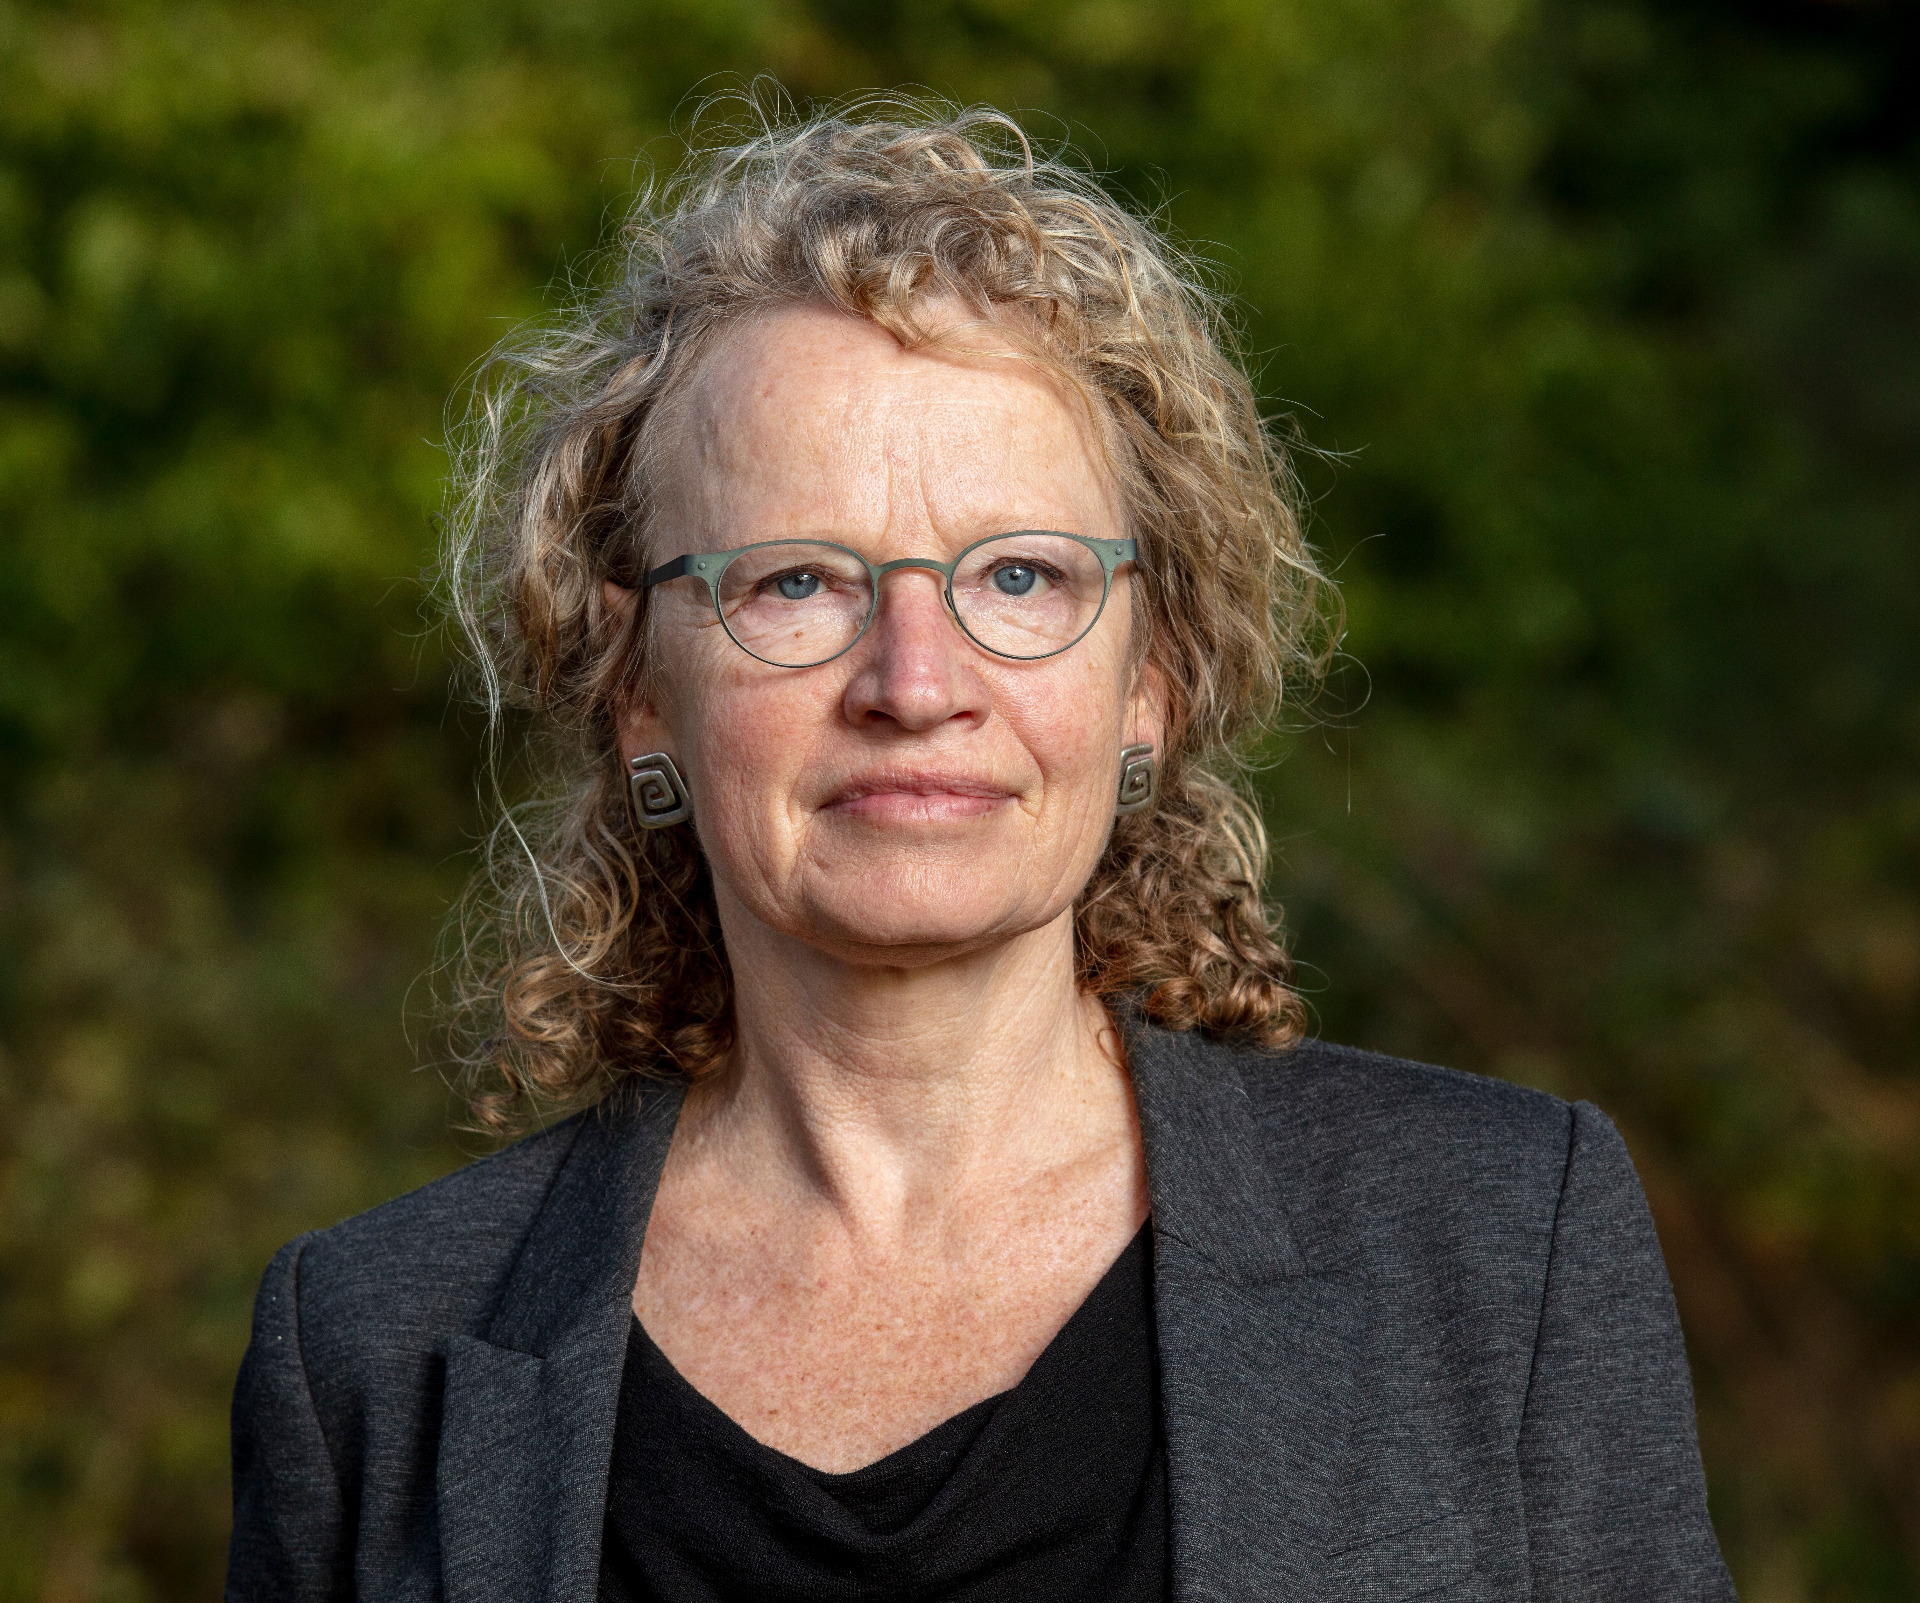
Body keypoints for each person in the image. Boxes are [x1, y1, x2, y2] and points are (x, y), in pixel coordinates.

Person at [225, 102, 1737, 1602]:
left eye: (1019, 577)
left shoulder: (1501, 1241)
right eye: (797, 582)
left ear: (1150, 678)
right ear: (637, 691)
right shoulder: (367, 1349)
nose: (915, 682)